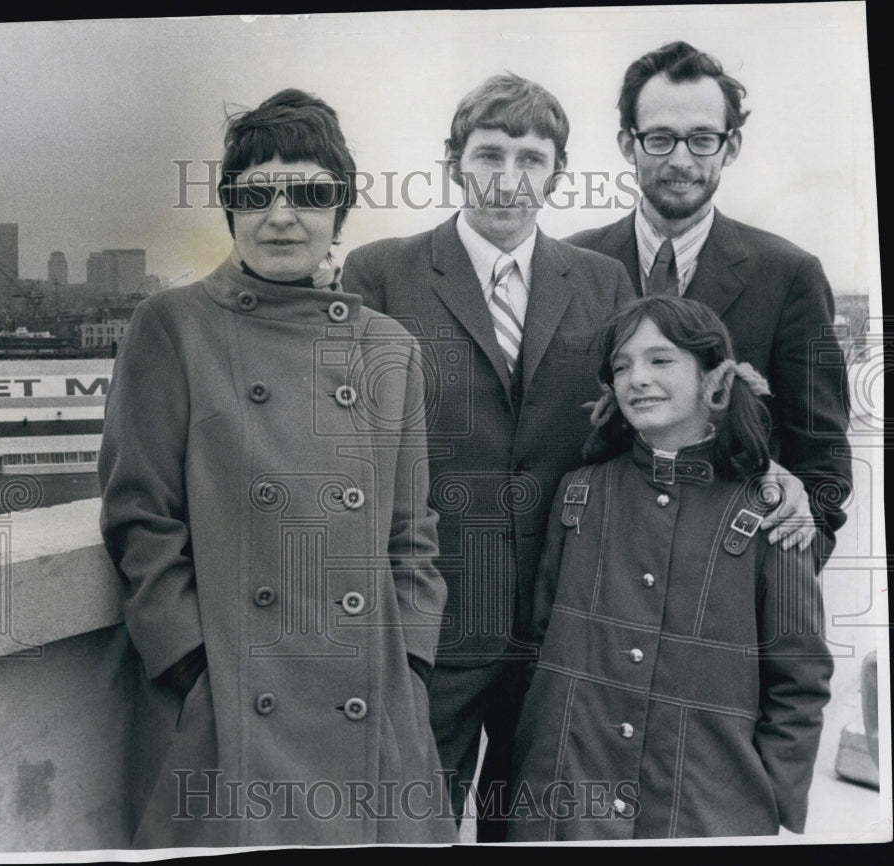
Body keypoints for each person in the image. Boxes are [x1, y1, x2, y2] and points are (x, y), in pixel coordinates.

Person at [98, 89, 456, 848]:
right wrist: (194, 670)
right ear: (229, 208)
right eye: (256, 194)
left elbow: (413, 534)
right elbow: (141, 518)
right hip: (231, 713)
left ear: (340, 211)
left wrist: (413, 670)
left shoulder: (388, 347)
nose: (282, 215)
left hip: (374, 714)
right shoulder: (172, 325)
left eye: (310, 193)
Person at [341, 73, 636, 839]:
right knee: (409, 823)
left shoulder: (603, 282)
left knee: (534, 828)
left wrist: (760, 470)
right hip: (428, 621)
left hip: (555, 618)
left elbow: (642, 420)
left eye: (532, 159)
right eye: (490, 154)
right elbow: (348, 448)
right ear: (453, 162)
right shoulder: (380, 274)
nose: (509, 179)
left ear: (558, 174)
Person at [508, 296, 834, 840]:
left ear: (714, 376)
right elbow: (538, 647)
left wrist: (762, 804)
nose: (637, 379)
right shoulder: (581, 492)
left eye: (661, 360)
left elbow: (799, 680)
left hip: (704, 808)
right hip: (566, 803)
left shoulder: (773, 510)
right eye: (621, 365)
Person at [566, 41, 852, 563]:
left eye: (701, 139)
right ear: (627, 144)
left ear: (732, 145)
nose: (680, 160)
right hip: (596, 589)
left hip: (726, 601)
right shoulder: (570, 265)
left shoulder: (791, 276)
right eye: (659, 138)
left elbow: (823, 473)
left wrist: (769, 587)